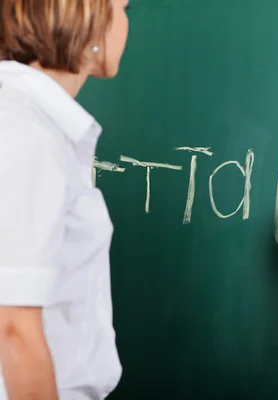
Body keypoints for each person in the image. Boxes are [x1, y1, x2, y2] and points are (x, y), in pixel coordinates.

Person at [0, 0, 130, 398]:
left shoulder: (27, 119)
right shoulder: (24, 128)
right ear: (89, 16)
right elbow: (13, 328)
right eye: (124, 7)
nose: (126, 23)